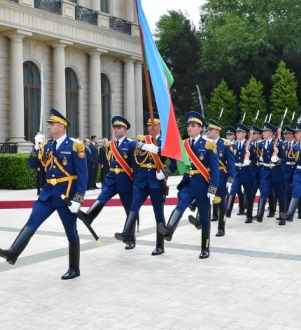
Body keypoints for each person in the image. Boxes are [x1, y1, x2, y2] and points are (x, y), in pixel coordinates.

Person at [0, 109, 88, 280]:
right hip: (47, 194)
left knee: (70, 231)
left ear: (61, 126)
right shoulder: (47, 145)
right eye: (49, 124)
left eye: (51, 124)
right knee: (33, 220)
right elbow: (32, 164)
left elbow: (83, 176)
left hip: (65, 196)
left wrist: (78, 200)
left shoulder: (75, 146)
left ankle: (74, 268)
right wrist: (36, 147)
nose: (48, 127)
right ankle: (13, 252)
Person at [79, 116, 158, 250]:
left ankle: (130, 238)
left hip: (126, 179)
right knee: (102, 198)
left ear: (125, 130)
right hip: (111, 179)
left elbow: (137, 161)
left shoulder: (130, 143)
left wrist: (137, 182)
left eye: (119, 128)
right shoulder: (109, 145)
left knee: (128, 209)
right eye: (114, 128)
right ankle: (89, 216)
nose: (116, 130)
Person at [158, 111, 220, 259]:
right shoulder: (184, 144)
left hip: (203, 184)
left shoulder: (208, 144)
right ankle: (169, 230)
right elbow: (175, 162)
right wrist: (164, 172)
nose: (190, 128)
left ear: (200, 128)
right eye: (188, 125)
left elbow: (215, 169)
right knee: (181, 204)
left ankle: (205, 248)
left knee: (204, 217)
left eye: (193, 125)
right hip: (187, 183)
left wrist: (213, 188)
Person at [115, 113, 167, 255]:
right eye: (149, 125)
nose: (151, 128)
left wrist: (165, 172)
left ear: (159, 126)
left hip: (156, 182)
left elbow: (174, 161)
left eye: (154, 125)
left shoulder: (166, 141)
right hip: (141, 181)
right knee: (134, 206)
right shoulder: (142, 140)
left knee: (158, 213)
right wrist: (145, 146)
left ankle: (160, 245)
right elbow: (131, 144)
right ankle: (126, 233)